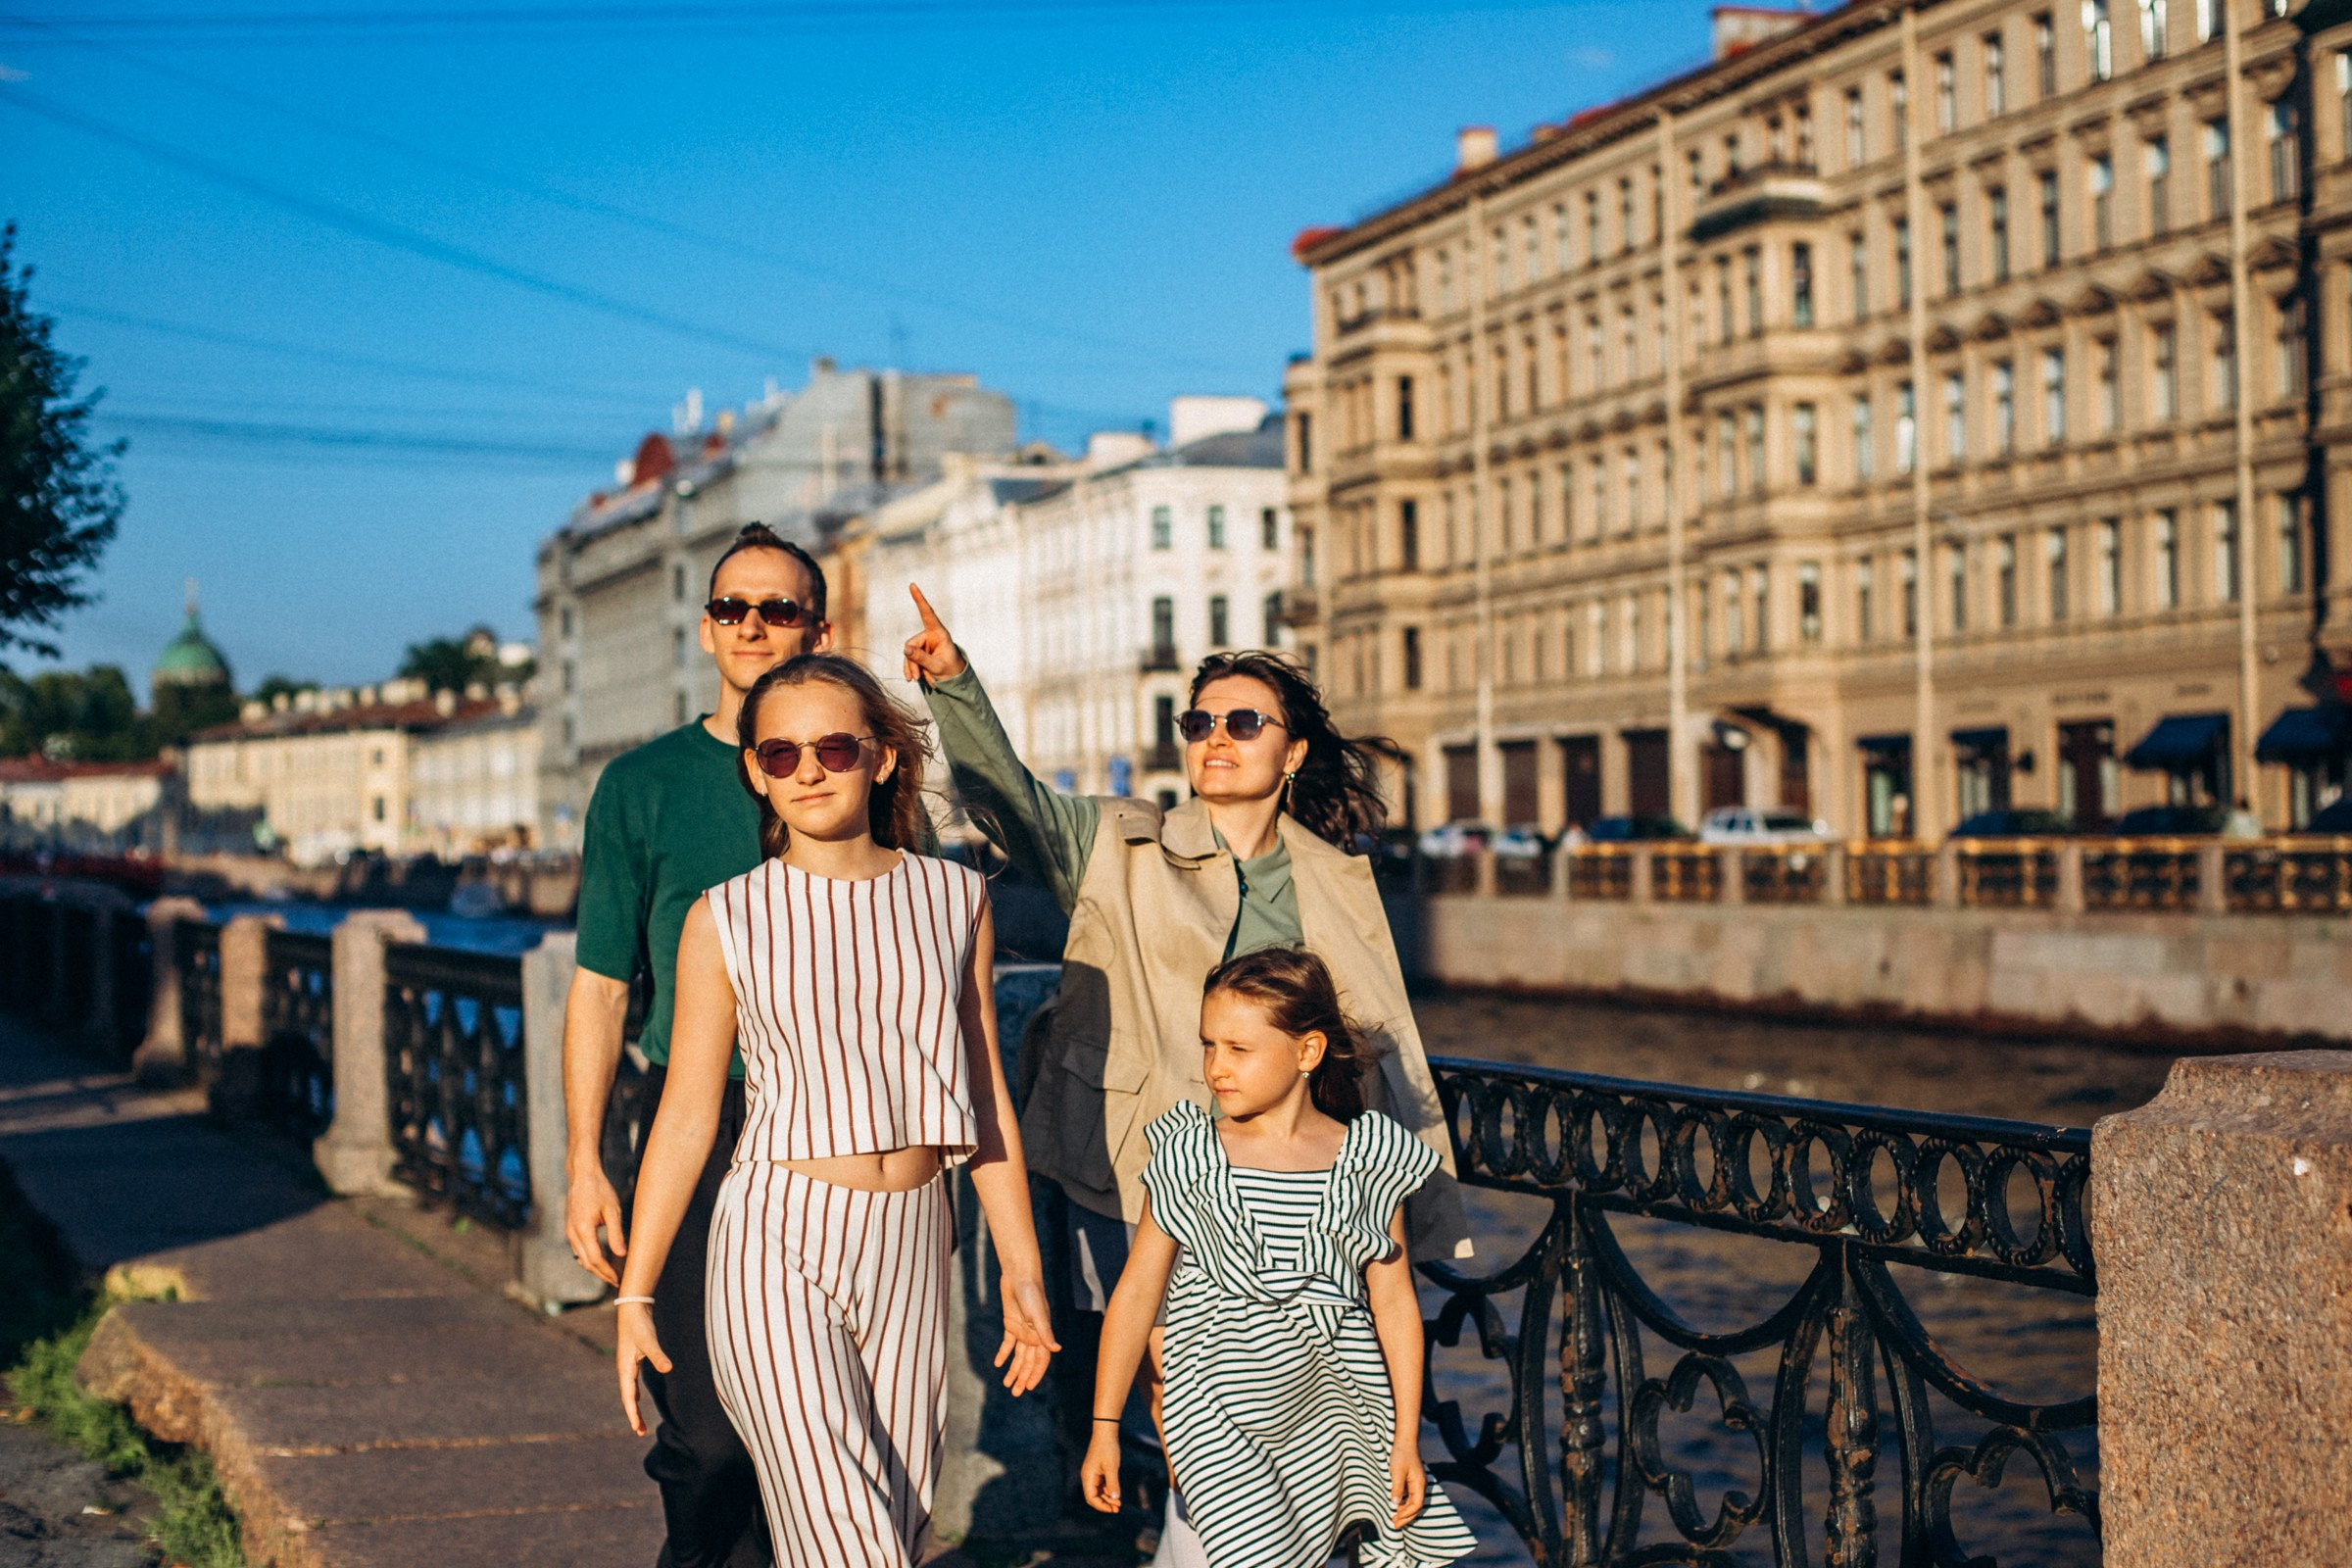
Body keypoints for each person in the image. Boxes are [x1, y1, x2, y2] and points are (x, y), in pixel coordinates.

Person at [900, 584, 1466, 1549]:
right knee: (1183, 1392)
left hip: (1295, 1187)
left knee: (1273, 1403)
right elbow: (1015, 806)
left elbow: (1372, 1042)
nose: (1215, 736)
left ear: (1290, 752)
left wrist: (1402, 1183)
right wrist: (955, 686)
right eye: (1198, 720)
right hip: (1139, 1170)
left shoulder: (1334, 877)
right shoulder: (1126, 842)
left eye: (1243, 721)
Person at [612, 653, 1058, 1566]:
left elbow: (981, 1096)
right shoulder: (725, 917)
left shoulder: (954, 897)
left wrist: (1022, 1269)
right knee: (854, 1543)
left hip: (914, 1239)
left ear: (882, 756)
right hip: (777, 1238)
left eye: (833, 747)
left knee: (890, 1521)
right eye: (779, 754)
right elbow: (689, 1117)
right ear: (755, 773)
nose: (807, 769)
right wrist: (636, 1289)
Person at [564, 522, 830, 1568]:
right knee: (710, 1431)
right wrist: (587, 1158)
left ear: (819, 624)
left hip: (834, 1132)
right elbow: (598, 985)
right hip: (695, 1123)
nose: (753, 625)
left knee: (812, 1429)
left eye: (778, 608)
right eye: (732, 607)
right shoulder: (644, 783)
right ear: (706, 625)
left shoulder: (856, 768)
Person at [1079, 948, 1477, 1568]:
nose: (1216, 1067)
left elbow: (1395, 1305)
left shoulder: (1371, 1158)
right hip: (1211, 1416)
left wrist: (1406, 1438)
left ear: (1307, 1052)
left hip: (1328, 1418)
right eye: (1210, 1045)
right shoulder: (1191, 1152)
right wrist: (1105, 1424)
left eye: (1239, 1050)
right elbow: (1135, 1294)